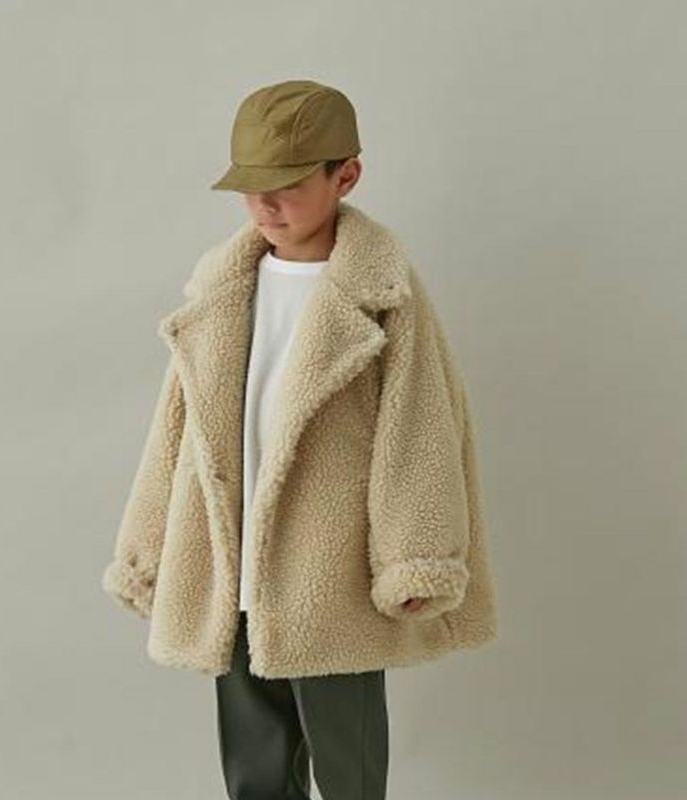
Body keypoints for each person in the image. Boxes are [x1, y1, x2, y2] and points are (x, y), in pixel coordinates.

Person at [101, 79, 499, 800]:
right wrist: (148, 551)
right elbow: (176, 435)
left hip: (332, 579)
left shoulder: (382, 294)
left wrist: (414, 558)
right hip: (235, 573)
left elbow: (420, 431)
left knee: (349, 771)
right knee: (254, 772)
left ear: (345, 175)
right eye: (250, 188)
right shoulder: (222, 290)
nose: (265, 205)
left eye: (286, 184)